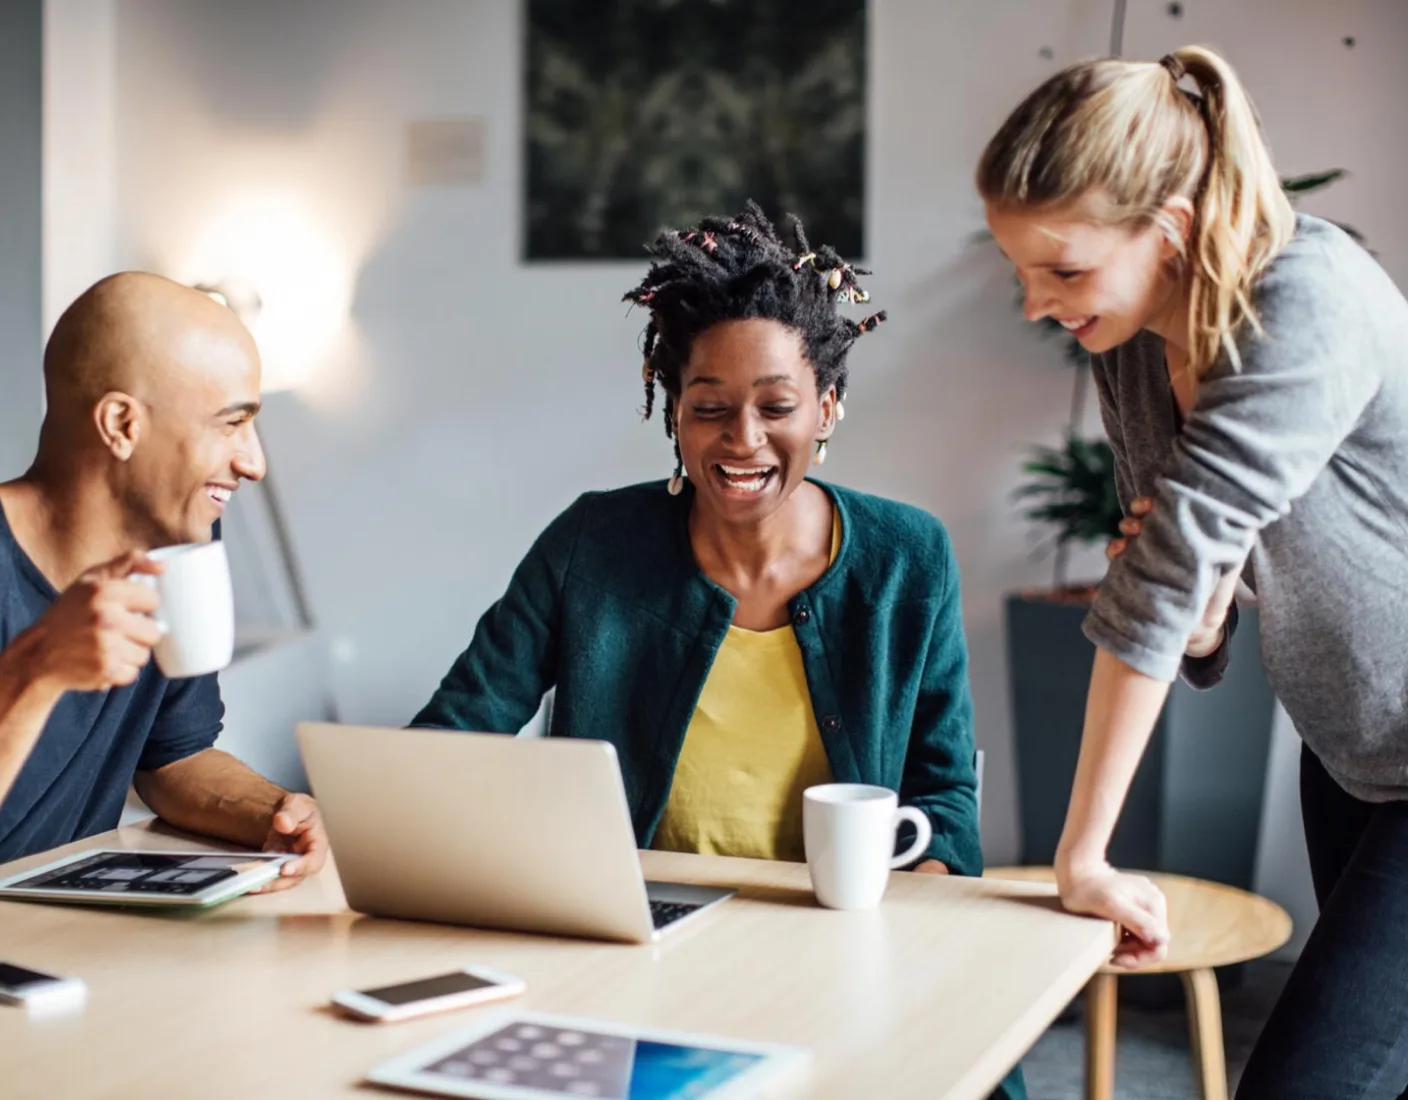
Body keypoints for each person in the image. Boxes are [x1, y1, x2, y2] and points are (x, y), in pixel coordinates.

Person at [414, 202, 1022, 1099]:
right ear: (674, 411)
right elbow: (455, 732)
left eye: (777, 407)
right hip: (639, 948)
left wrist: (899, 922)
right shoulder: (593, 543)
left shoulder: (907, 558)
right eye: (710, 409)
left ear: (828, 407)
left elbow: (944, 800)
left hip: (838, 942)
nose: (742, 440)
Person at [979, 44, 1408, 1097]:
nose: (1038, 303)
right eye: (1022, 270)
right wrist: (1209, 622)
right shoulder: (1131, 340)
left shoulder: (1307, 299)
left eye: (1065, 269)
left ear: (1167, 228)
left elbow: (1163, 576)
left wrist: (1082, 858)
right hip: (1352, 747)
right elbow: (1198, 589)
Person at [0, 273, 327, 891]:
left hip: (68, 940)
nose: (253, 464)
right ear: (122, 424)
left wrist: (274, 813)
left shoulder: (180, 546)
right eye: (231, 424)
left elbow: (174, 757)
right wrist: (36, 670)